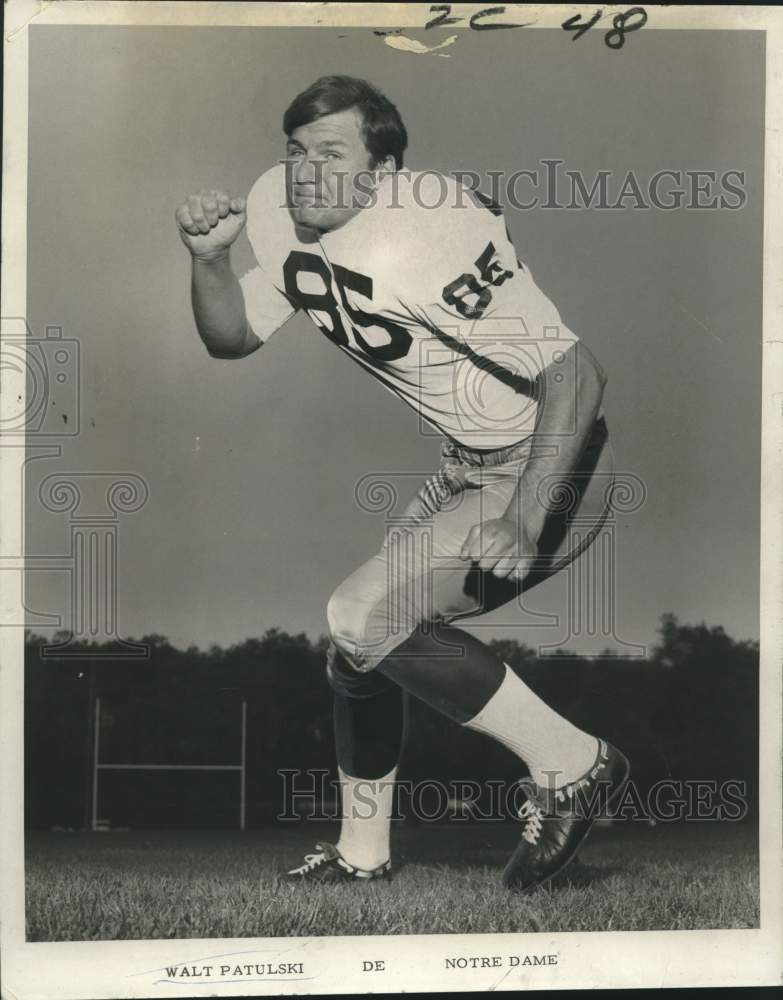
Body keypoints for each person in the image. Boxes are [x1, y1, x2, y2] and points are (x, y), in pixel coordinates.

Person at [175, 75, 629, 892]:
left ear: (381, 173)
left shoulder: (428, 235)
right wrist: (210, 260)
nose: (304, 171)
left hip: (550, 467)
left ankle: (572, 762)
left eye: (331, 153)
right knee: (357, 652)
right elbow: (232, 337)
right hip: (467, 461)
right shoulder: (276, 207)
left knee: (361, 615)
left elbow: (577, 373)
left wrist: (524, 520)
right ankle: (362, 856)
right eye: (295, 150)